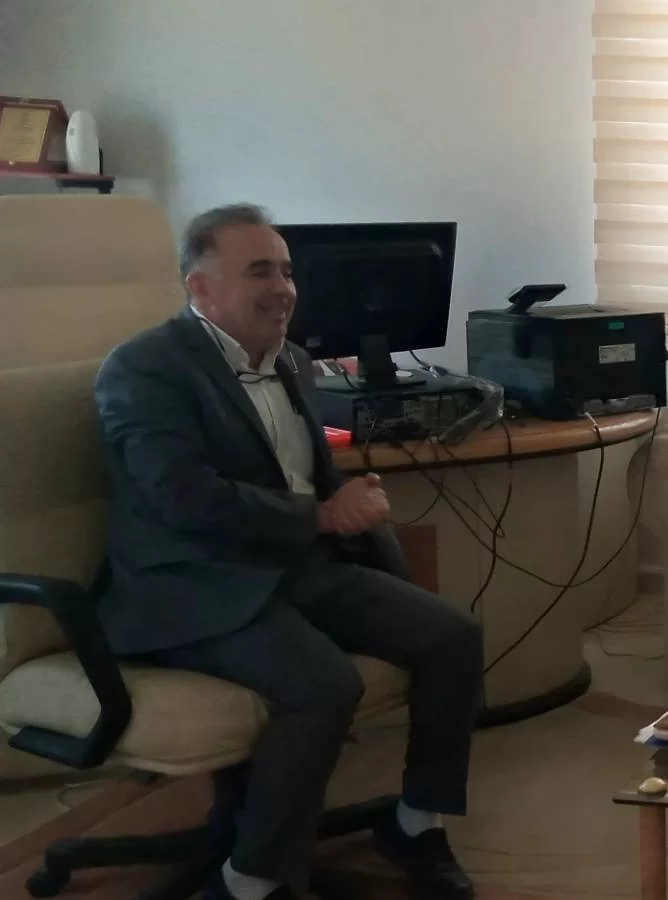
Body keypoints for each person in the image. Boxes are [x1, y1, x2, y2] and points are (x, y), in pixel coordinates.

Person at [94, 204, 481, 900]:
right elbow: (181, 497)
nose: (283, 289)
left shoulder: (296, 361)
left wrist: (352, 510)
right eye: (259, 272)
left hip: (297, 563)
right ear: (201, 287)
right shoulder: (143, 368)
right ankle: (249, 882)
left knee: (453, 636)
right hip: (190, 584)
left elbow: (313, 478)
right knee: (323, 683)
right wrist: (322, 514)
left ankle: (415, 824)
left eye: (287, 271)